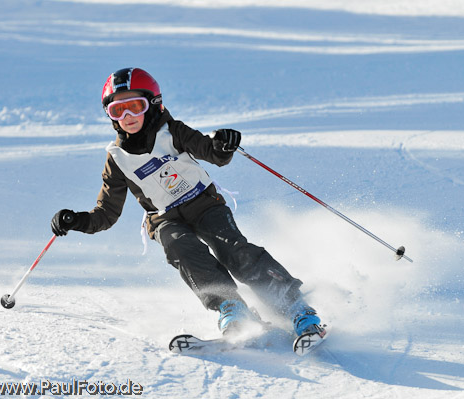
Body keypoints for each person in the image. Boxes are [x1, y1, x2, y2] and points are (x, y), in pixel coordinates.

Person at [51, 67, 322, 338]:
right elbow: (106, 214)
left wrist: (222, 146)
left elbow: (211, 152)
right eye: (118, 110)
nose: (128, 116)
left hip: (204, 203)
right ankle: (231, 306)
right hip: (163, 218)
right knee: (180, 247)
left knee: (233, 250)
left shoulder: (173, 132)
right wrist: (77, 221)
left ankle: (294, 306)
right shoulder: (117, 159)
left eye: (135, 106)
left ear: (153, 104)